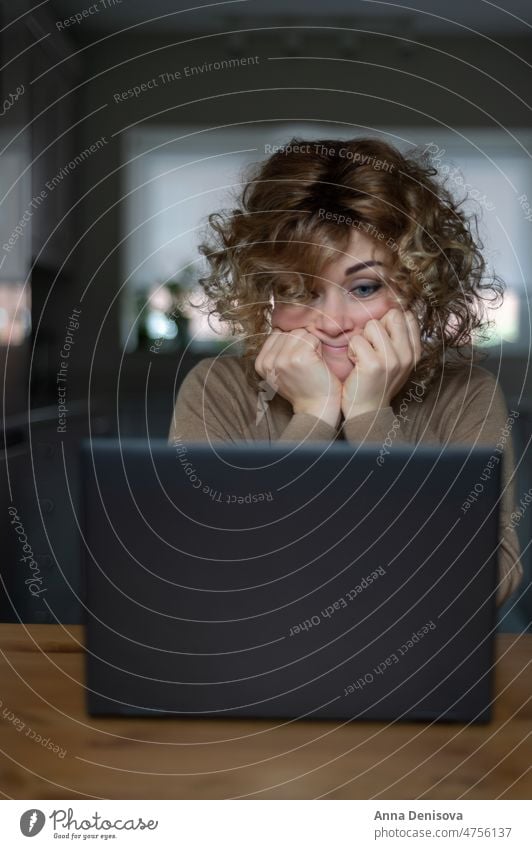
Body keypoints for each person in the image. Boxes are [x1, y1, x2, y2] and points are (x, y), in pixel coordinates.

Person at [168, 136, 523, 605]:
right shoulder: (218, 388)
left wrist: (369, 415)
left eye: (364, 287)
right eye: (300, 290)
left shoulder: (466, 394)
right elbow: (203, 575)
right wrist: (313, 416)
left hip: (418, 665)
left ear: (417, 291)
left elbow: (487, 582)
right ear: (267, 296)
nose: (333, 323)